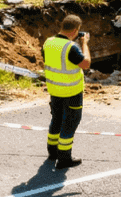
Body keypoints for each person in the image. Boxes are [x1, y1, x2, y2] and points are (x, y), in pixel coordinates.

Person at [43, 14, 91, 169]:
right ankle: (64, 158)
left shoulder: (48, 42)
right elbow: (86, 64)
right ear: (76, 30)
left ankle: (53, 152)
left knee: (56, 120)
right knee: (70, 123)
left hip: (54, 89)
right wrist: (84, 44)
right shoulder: (71, 47)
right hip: (71, 91)